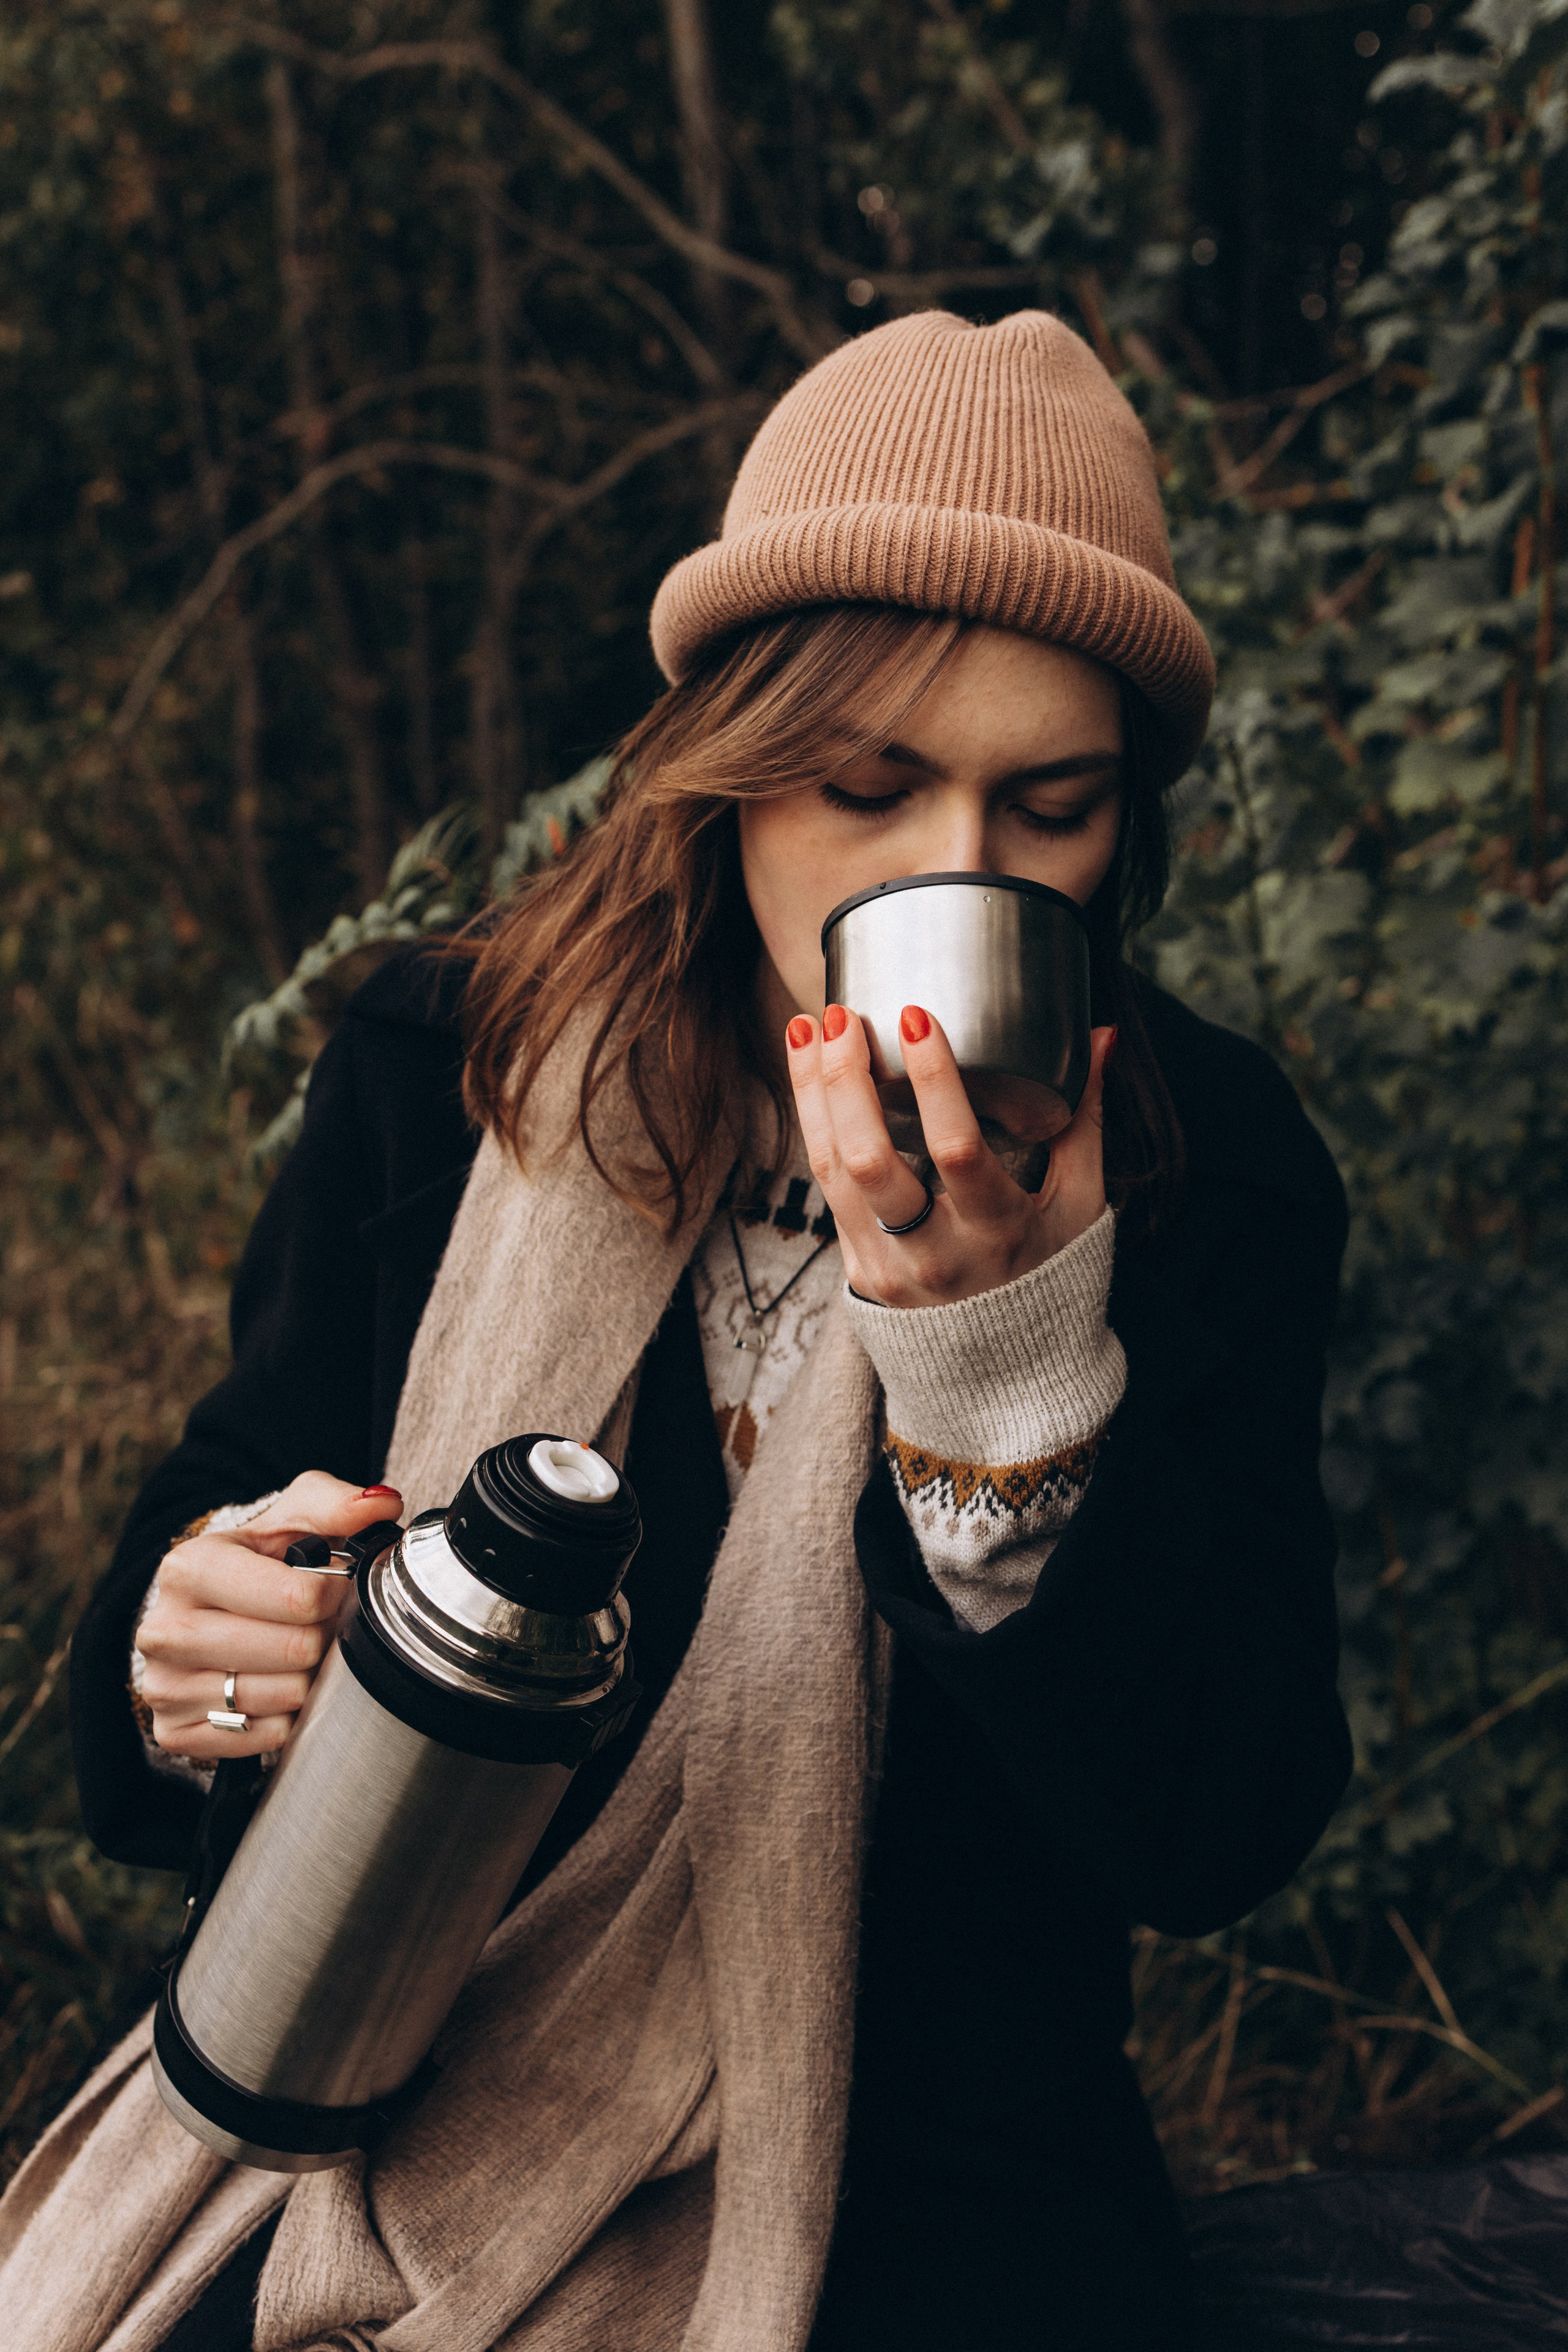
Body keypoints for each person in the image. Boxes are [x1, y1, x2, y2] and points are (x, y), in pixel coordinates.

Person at [0, 308, 1351, 2352]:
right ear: (726, 771)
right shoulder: (452, 1069)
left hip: (918, 2186)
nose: (952, 872)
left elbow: (1215, 1826)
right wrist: (193, 1642)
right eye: (869, 786)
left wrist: (1015, 1381)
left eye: (1049, 807)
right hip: (377, 2105)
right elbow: (168, 1666)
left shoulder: (1200, 1167)